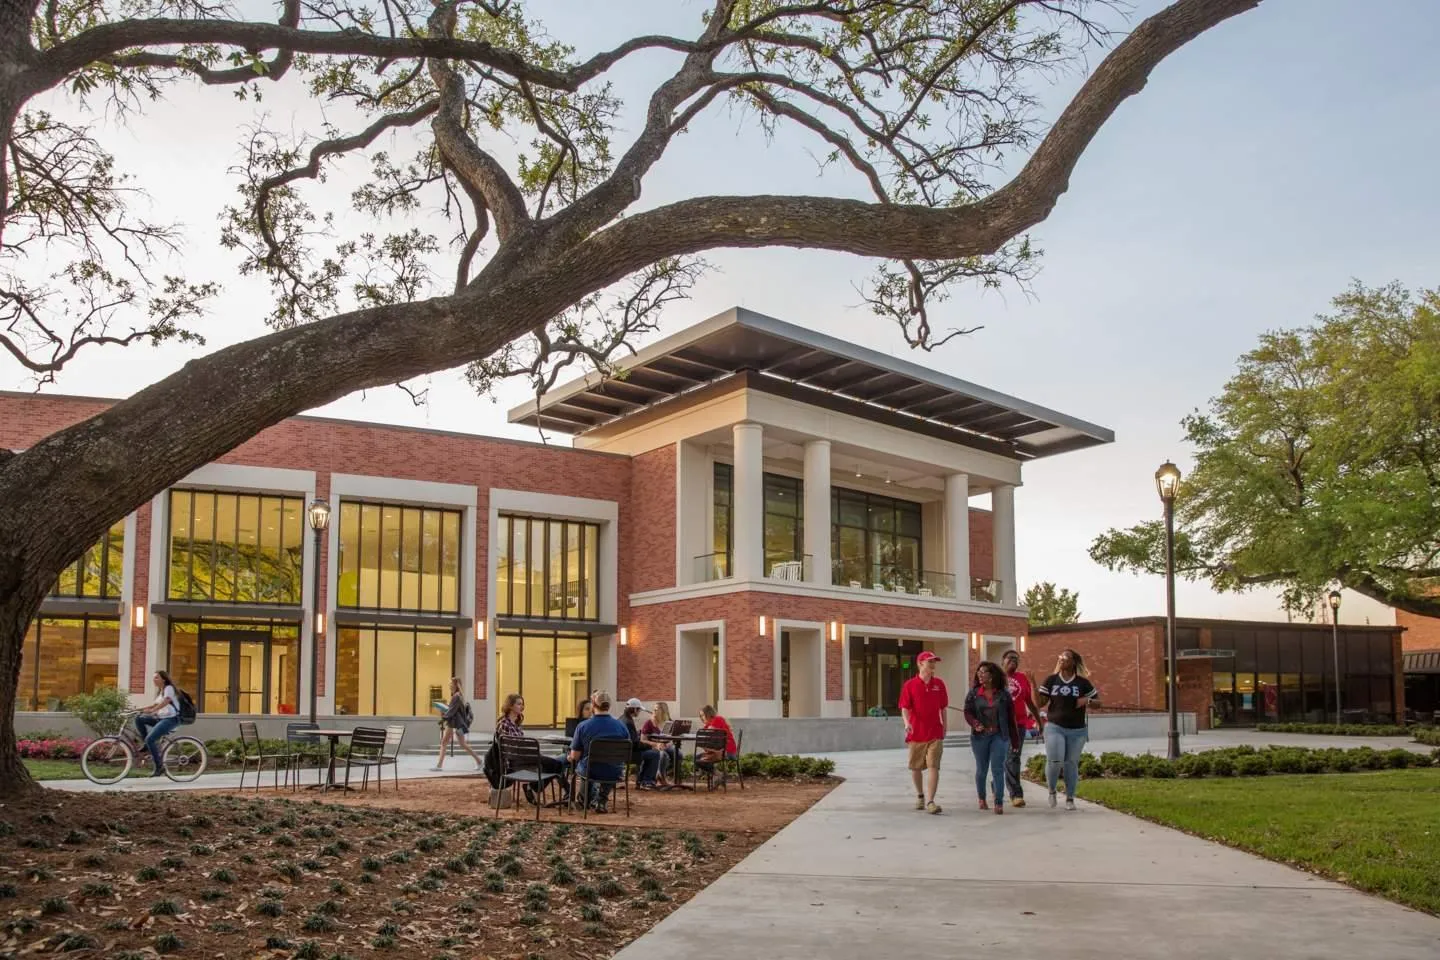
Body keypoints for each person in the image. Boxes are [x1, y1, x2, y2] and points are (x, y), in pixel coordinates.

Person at [1037, 648, 1100, 810]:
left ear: (1073, 662)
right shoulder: (1051, 680)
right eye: (1060, 657)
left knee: (1071, 763)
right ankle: (1051, 790)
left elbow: (1098, 703)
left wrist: (1087, 700)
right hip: (1054, 726)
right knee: (1055, 759)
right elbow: (1040, 702)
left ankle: (1070, 798)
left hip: (1077, 730)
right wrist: (1032, 685)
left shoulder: (1082, 683)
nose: (1062, 659)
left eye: (1066, 657)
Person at [964, 661, 1021, 814]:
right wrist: (975, 723)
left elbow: (1011, 718)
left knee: (997, 769)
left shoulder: (1004, 695)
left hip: (999, 736)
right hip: (980, 737)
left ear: (992, 675)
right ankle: (981, 798)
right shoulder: (974, 694)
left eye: (984, 672)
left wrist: (1015, 740)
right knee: (982, 769)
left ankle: (999, 802)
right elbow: (967, 712)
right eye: (979, 672)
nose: (980, 675)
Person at [494, 692, 570, 805]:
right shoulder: (504, 723)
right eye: (519, 704)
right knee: (557, 765)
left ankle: (534, 787)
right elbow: (514, 748)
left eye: (522, 704)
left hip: (525, 757)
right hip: (517, 762)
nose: (522, 706)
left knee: (553, 765)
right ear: (510, 706)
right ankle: (568, 793)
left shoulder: (516, 724)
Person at [898, 651, 947, 814]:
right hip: (916, 733)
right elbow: (904, 708)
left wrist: (944, 726)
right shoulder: (909, 685)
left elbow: (943, 708)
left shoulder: (939, 684)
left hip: (935, 732)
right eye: (930, 662)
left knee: (934, 765)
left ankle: (931, 801)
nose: (933, 665)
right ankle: (920, 795)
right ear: (920, 663)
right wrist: (907, 724)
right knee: (916, 767)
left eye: (934, 662)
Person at [568, 690, 629, 812]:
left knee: (585, 764)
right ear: (609, 706)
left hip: (591, 770)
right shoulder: (621, 726)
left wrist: (570, 757)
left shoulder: (583, 726)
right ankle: (602, 800)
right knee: (608, 764)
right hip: (615, 771)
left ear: (593, 705)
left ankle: (583, 801)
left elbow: (575, 756)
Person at [1001, 649, 1044, 807]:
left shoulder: (1022, 678)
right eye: (1010, 658)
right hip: (1000, 724)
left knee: (1013, 756)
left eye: (1016, 659)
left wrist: (1038, 720)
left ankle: (1016, 794)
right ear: (1003, 661)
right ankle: (997, 785)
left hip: (1018, 724)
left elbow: (1029, 702)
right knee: (1003, 758)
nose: (1013, 661)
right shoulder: (997, 678)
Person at [135, 670, 181, 777]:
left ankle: (159, 767)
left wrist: (153, 710)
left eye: (156, 677)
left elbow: (167, 701)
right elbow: (153, 705)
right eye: (154, 678)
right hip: (161, 718)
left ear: (163, 679)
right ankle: (146, 745)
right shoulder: (161, 691)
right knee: (139, 718)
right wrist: (139, 709)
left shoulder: (169, 688)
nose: (154, 680)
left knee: (150, 739)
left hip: (171, 719)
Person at [433, 677, 482, 771]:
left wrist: (443, 716)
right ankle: (479, 761)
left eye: (451, 684)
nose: (449, 685)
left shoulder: (456, 696)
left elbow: (451, 711)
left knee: (456, 743)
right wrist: (446, 708)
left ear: (456, 685)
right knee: (452, 743)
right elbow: (453, 710)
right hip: (455, 723)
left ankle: (479, 761)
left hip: (454, 723)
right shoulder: (458, 695)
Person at [622, 698, 663, 789]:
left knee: (651, 752)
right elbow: (635, 744)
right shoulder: (629, 722)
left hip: (623, 751)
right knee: (655, 754)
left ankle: (642, 780)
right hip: (629, 754)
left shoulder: (623, 719)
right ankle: (647, 781)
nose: (639, 712)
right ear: (635, 709)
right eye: (639, 710)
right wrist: (650, 746)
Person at [696, 704, 737, 786]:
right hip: (717, 751)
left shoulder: (718, 719)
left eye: (703, 715)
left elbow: (709, 733)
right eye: (700, 716)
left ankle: (718, 775)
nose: (702, 718)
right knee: (697, 758)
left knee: (701, 759)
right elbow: (703, 738)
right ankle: (718, 774)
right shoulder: (708, 724)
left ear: (709, 714)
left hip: (728, 751)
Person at [642, 701, 681, 785]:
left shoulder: (670, 722)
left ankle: (677, 778)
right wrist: (656, 744)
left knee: (678, 753)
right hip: (654, 746)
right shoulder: (649, 723)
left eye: (656, 709)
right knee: (663, 755)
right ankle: (661, 776)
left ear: (663, 711)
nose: (654, 711)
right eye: (654, 709)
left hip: (666, 745)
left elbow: (673, 739)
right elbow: (642, 739)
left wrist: (668, 744)